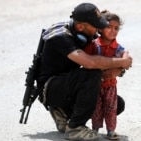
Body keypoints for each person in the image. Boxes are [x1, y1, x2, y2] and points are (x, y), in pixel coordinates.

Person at [36, 3, 132, 141]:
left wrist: (118, 69)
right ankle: (75, 128)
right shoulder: (62, 36)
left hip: (70, 85)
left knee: (116, 104)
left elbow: (117, 56)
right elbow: (90, 62)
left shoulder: (86, 33)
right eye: (96, 26)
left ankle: (62, 112)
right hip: (51, 88)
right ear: (81, 26)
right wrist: (122, 63)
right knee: (93, 73)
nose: (99, 29)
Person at [84, 10, 125, 140]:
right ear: (100, 29)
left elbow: (124, 61)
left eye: (116, 28)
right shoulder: (94, 45)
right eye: (109, 27)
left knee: (111, 108)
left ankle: (111, 131)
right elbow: (85, 60)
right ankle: (94, 130)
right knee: (96, 108)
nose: (113, 30)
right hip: (95, 85)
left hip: (111, 85)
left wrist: (122, 64)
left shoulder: (118, 48)